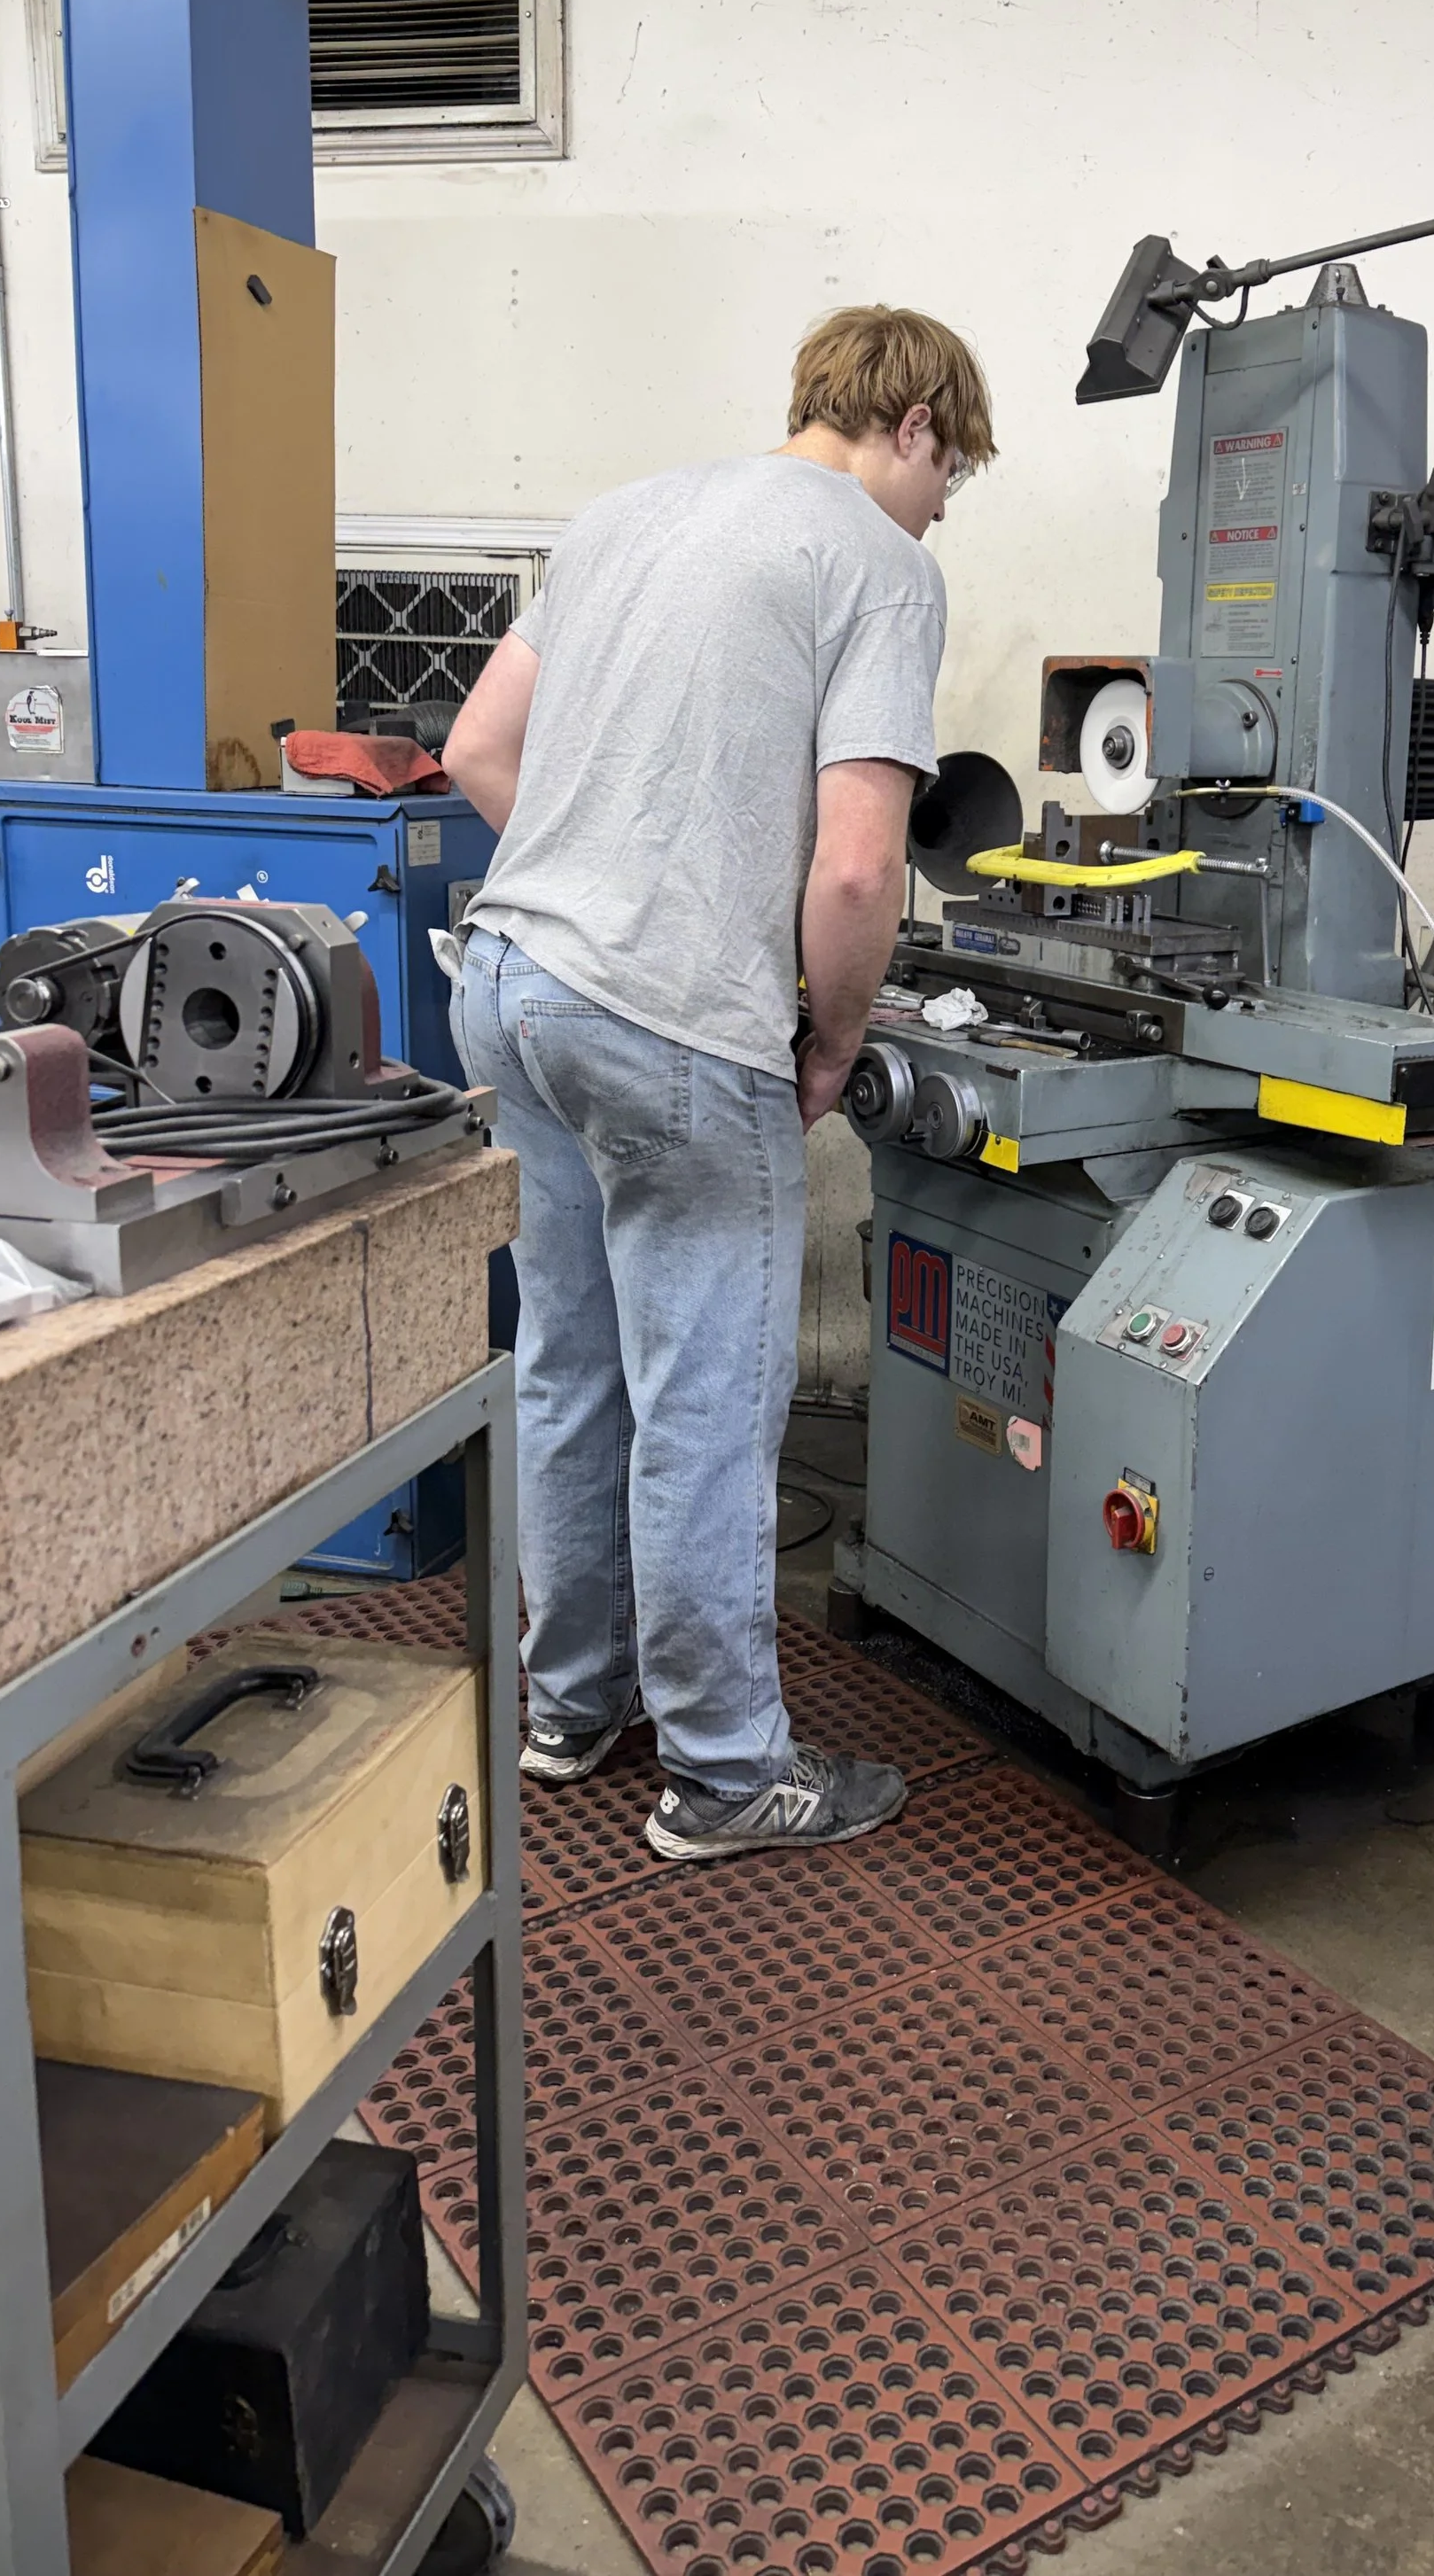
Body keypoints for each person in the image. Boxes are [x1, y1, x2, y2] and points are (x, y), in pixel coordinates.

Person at [440, 307, 993, 1862]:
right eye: (951, 473)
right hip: (674, 1027)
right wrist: (828, 1036)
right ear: (917, 427)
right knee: (706, 1407)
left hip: (512, 985)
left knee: (571, 1367)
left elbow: (484, 749)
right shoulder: (880, 563)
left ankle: (570, 1707)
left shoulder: (621, 517)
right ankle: (730, 1774)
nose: (944, 505)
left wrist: (600, 882)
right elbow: (863, 861)